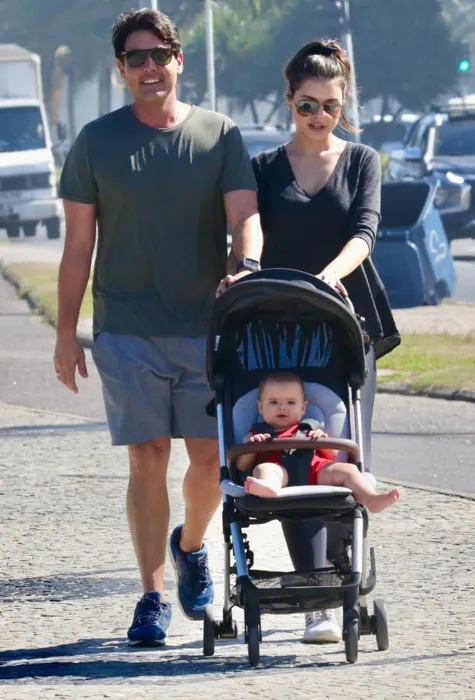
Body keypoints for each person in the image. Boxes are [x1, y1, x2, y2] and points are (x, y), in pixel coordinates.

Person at [53, 8, 263, 646]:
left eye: (160, 55)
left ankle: (190, 546)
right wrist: (67, 333)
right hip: (126, 326)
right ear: (121, 70)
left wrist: (248, 263)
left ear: (178, 60)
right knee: (147, 458)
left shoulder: (218, 133)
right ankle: (151, 596)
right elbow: (77, 245)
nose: (150, 67)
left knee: (208, 461)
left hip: (206, 327)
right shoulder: (96, 142)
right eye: (136, 58)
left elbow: (245, 218)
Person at [219, 39, 400, 644]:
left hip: (344, 320)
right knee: (291, 450)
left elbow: (366, 230)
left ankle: (339, 586)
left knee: (338, 448)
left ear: (342, 101)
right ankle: (318, 592)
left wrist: (331, 274)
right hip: (275, 327)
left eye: (328, 104)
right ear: (289, 101)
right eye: (305, 105)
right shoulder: (267, 167)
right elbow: (252, 229)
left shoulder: (362, 160)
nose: (318, 115)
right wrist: (244, 268)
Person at [236, 373, 400, 512]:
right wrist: (251, 447)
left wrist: (321, 441)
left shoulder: (311, 426)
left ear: (303, 407)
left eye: (291, 402)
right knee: (263, 469)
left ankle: (370, 499)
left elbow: (334, 456)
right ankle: (269, 487)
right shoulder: (257, 432)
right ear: (260, 407)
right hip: (279, 471)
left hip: (315, 472)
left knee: (348, 469)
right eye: (273, 402)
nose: (282, 408)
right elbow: (242, 466)